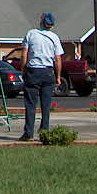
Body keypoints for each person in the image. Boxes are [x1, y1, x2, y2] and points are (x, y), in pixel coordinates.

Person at [19, 12, 63, 141]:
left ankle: (28, 133)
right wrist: (58, 76)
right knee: (46, 105)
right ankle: (44, 132)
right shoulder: (54, 37)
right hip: (48, 72)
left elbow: (24, 54)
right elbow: (58, 59)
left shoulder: (31, 34)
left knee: (30, 104)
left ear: (41, 21)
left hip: (33, 71)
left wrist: (23, 70)